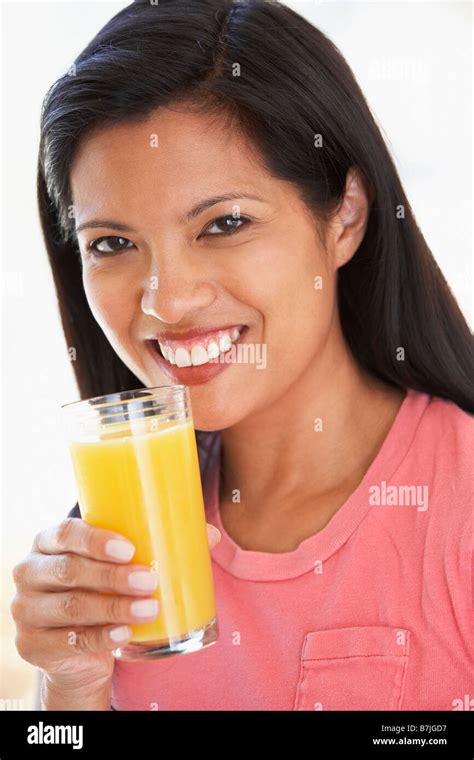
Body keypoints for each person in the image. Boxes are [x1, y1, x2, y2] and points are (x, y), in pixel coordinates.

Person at [12, 0, 473, 710]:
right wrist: (70, 691)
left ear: (345, 215)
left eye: (224, 223)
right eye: (111, 244)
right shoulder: (116, 560)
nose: (167, 302)